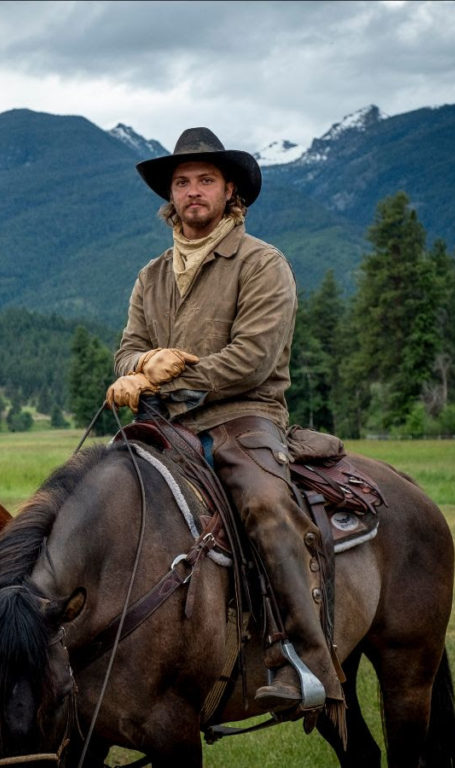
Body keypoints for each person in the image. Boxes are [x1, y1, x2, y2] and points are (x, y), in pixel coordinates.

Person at [105, 127, 342, 716]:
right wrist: (137, 367)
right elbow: (127, 349)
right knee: (96, 498)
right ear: (171, 195)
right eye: (182, 182)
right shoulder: (151, 275)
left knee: (264, 504)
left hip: (243, 416)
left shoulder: (263, 263)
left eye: (205, 180)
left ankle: (306, 660)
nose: (193, 191)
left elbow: (252, 359)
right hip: (166, 425)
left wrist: (159, 379)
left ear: (229, 190)